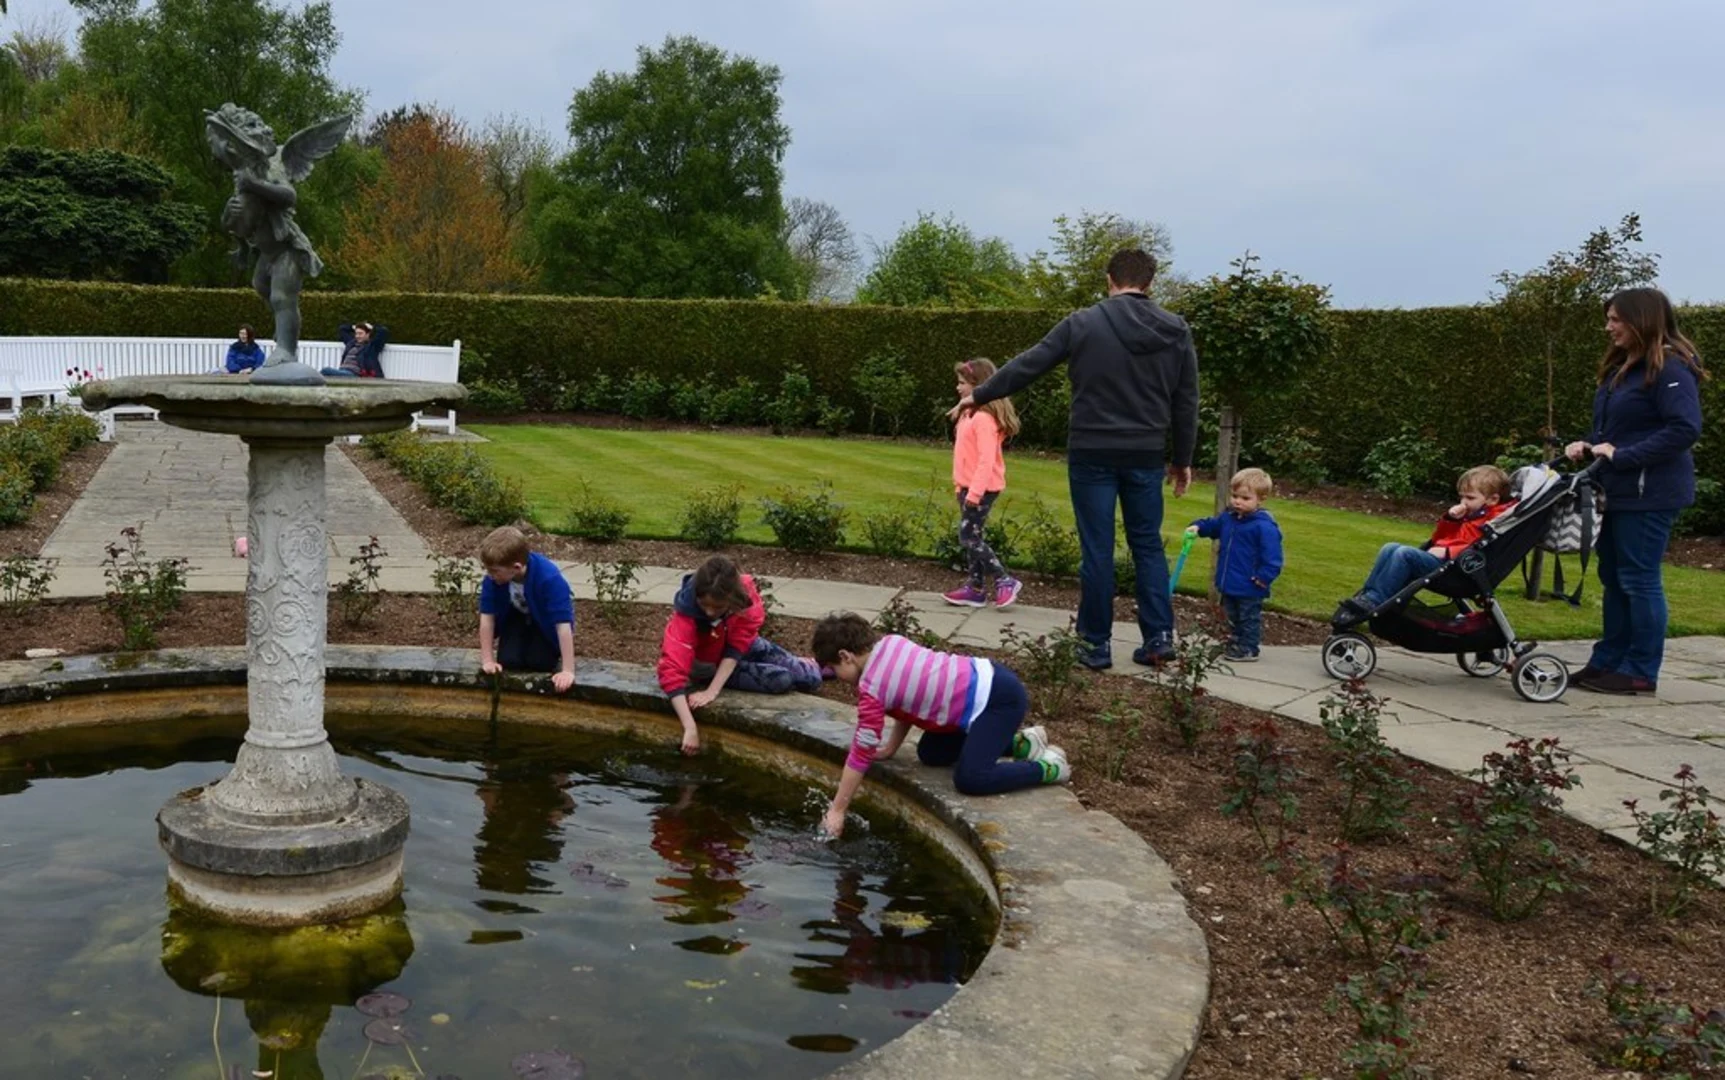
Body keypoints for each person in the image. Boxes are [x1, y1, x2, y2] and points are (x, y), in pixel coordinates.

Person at [955, 248, 1199, 671]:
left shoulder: (1083, 323)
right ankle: (1159, 639)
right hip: (1145, 453)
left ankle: (1094, 645)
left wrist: (980, 394)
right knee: (1147, 545)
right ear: (1150, 283)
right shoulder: (1176, 330)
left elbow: (1030, 363)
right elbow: (1185, 400)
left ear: (1109, 280)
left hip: (1092, 453)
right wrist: (1181, 459)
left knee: (1097, 548)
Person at [811, 612, 1068, 840]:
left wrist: (837, 810)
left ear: (846, 657)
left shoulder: (872, 688)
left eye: (834, 668)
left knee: (971, 779)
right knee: (931, 753)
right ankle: (1021, 744)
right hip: (992, 679)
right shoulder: (889, 645)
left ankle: (1048, 768)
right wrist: (890, 748)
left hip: (997, 701)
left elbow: (860, 753)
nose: (837, 677)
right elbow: (904, 704)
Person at [1564, 287, 1706, 696]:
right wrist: (1589, 444)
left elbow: (1684, 429)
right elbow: (1618, 429)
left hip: (1650, 493)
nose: (1608, 327)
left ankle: (1640, 670)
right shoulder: (1624, 367)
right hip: (1618, 490)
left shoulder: (1670, 369)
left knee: (1638, 579)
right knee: (1614, 576)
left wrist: (1622, 456)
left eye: (1615, 320)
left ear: (1641, 319)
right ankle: (1608, 660)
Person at [657, 555, 824, 756]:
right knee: (782, 679)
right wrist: (690, 727)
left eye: (718, 607)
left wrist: (713, 691)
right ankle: (797, 666)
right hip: (711, 665)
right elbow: (671, 671)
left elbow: (739, 642)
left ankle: (811, 666)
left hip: (741, 648)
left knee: (812, 678)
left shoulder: (744, 591)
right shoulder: (685, 616)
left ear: (732, 597)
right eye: (704, 605)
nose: (710, 612)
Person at [1334, 465, 1514, 620]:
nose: (1463, 502)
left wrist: (1446, 552)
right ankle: (1368, 595)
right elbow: (1440, 538)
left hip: (1455, 570)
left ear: (1493, 499)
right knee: (1390, 547)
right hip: (1442, 561)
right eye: (1461, 497)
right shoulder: (1471, 515)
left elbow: (1477, 546)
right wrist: (1451, 519)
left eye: (1470, 498)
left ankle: (1375, 600)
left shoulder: (1493, 519)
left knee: (1404, 554)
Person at [944, 357, 1024, 609]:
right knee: (974, 535)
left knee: (968, 537)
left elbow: (986, 461)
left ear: (979, 385)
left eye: (963, 383)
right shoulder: (971, 414)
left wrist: (975, 493)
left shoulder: (984, 420)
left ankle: (1004, 579)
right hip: (967, 486)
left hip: (981, 489)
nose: (958, 388)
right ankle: (975, 588)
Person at [1185, 467, 1283, 662]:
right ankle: (1233, 642)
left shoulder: (1264, 527)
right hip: (1229, 580)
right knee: (1230, 615)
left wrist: (1263, 578)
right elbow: (1214, 525)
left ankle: (1248, 647)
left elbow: (1273, 558)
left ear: (1261, 499)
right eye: (1235, 496)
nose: (1237, 501)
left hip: (1250, 584)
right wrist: (1199, 527)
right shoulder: (1229, 518)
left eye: (1245, 498)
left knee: (1247, 617)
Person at [477, 525, 576, 692]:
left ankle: (543, 649)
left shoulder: (549, 579)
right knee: (509, 661)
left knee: (540, 663)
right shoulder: (493, 581)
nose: (490, 575)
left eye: (494, 571)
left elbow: (563, 625)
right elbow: (487, 617)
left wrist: (568, 671)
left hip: (544, 623)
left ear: (516, 567)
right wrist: (487, 660)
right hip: (516, 618)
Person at [322, 320, 388, 378]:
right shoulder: (351, 343)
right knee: (325, 372)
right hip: (343, 371)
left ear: (368, 334)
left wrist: (372, 327)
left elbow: (383, 331)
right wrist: (354, 326)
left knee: (325, 371)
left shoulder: (372, 346)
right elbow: (342, 329)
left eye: (360, 333)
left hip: (356, 374)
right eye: (356, 333)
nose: (357, 336)